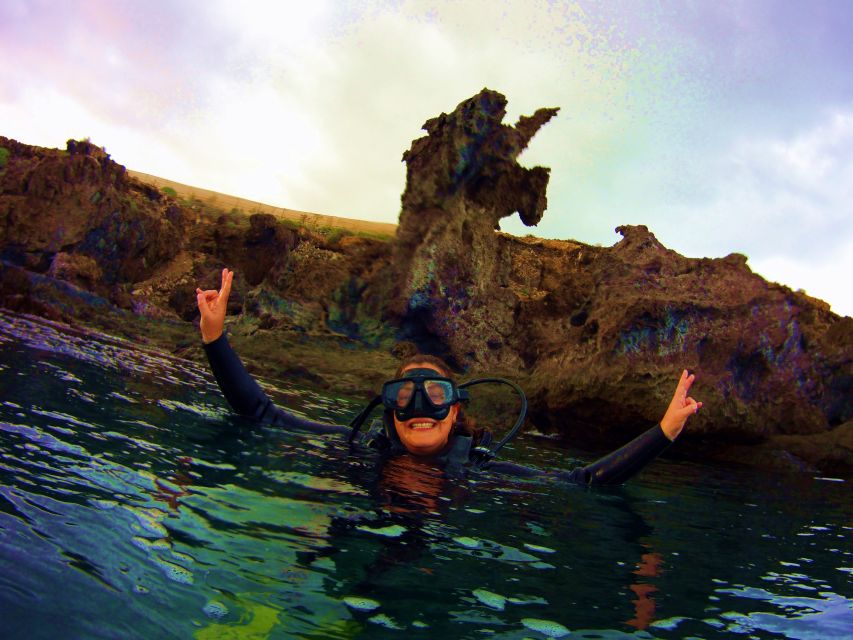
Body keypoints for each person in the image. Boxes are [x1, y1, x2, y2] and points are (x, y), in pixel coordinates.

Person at [197, 268, 703, 485]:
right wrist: (215, 338)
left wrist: (663, 433)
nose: (419, 407)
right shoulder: (362, 448)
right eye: (404, 394)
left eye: (434, 393)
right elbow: (260, 413)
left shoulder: (479, 471)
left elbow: (582, 481)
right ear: (389, 409)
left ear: (456, 408)